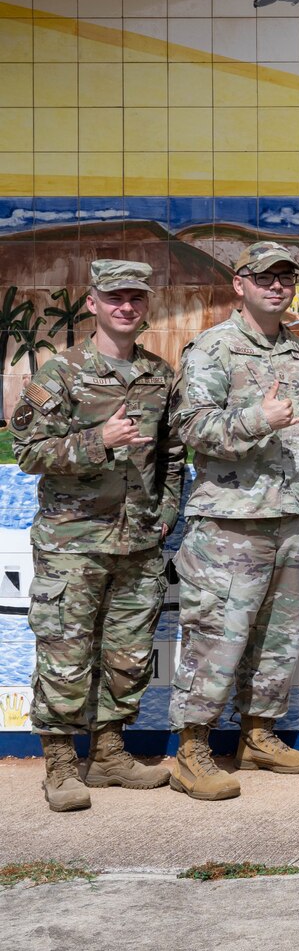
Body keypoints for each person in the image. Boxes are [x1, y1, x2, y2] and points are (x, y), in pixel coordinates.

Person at [15, 260, 185, 811]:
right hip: (73, 543)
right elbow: (27, 452)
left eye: (136, 297)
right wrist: (98, 440)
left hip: (138, 543)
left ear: (147, 304)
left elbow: (173, 455)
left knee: (128, 655)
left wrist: (167, 509)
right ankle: (61, 765)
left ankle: (109, 755)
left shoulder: (160, 375)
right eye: (115, 298)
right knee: (66, 654)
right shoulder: (57, 373)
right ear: (92, 303)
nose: (126, 307)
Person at [169, 241, 299, 800]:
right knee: (217, 636)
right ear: (239, 283)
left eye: (286, 277)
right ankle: (193, 750)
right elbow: (190, 427)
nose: (277, 286)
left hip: (289, 515)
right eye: (264, 276)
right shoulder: (212, 350)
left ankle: (258, 735)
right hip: (230, 521)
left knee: (277, 639)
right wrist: (254, 420)